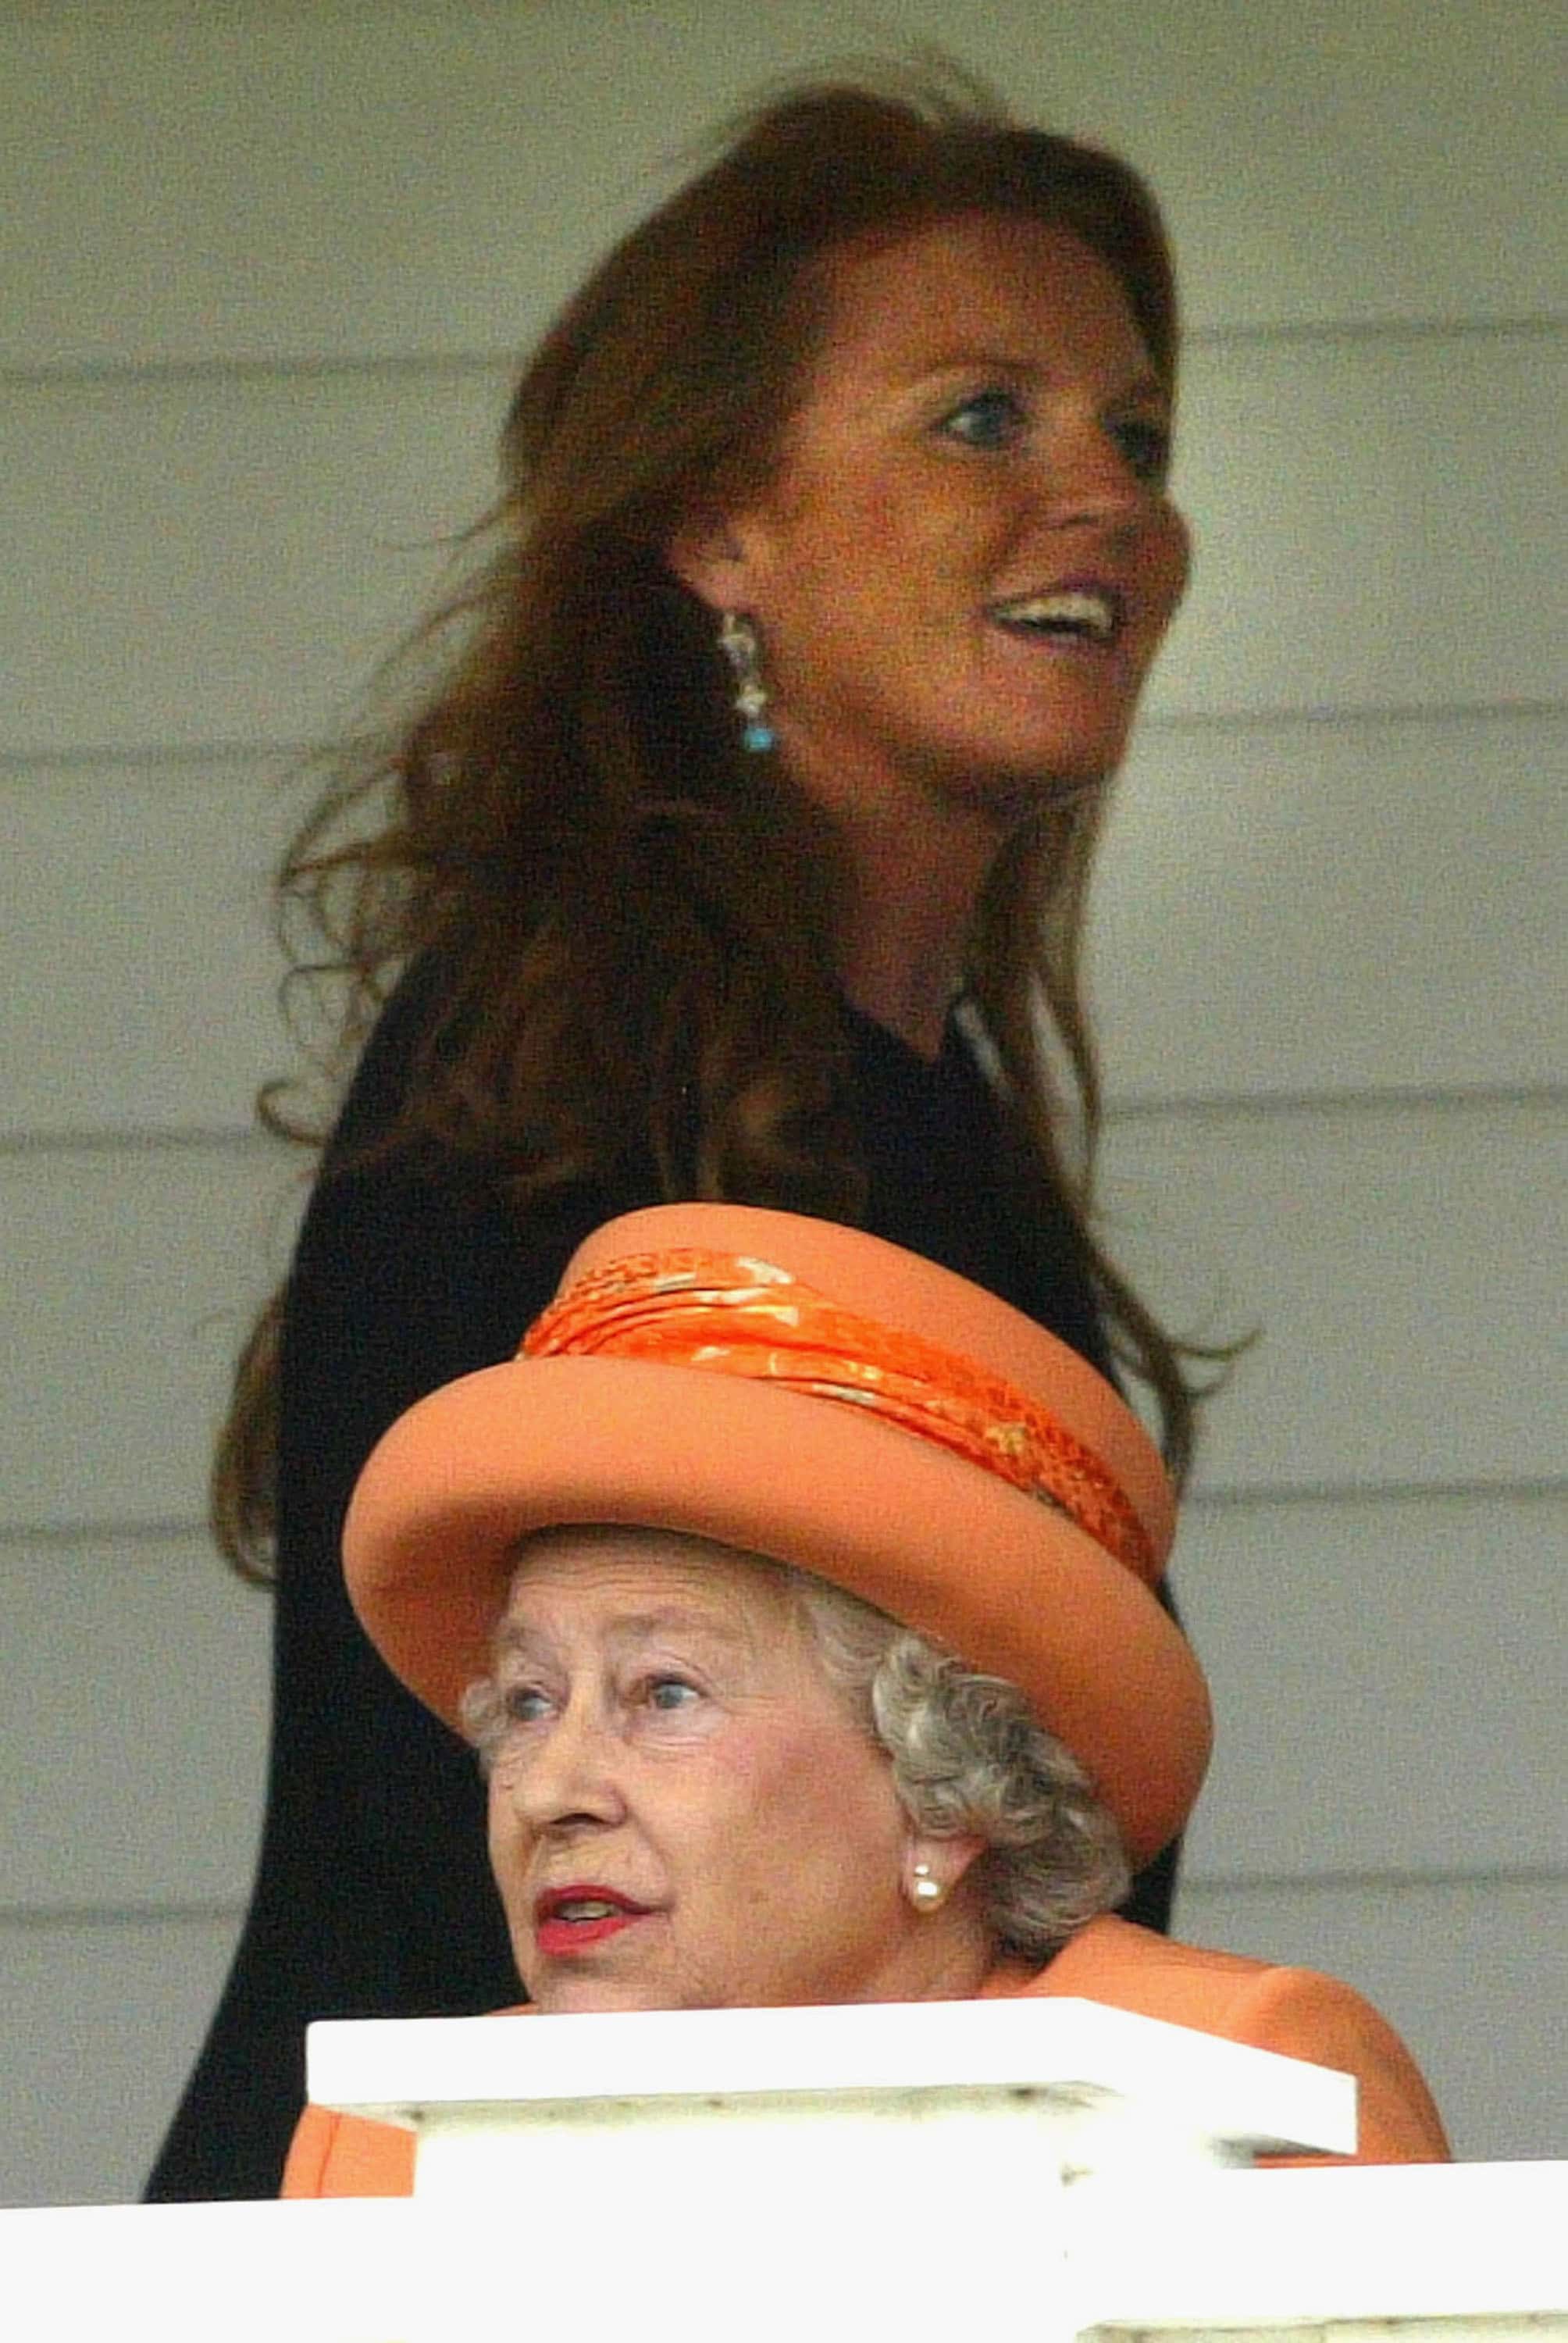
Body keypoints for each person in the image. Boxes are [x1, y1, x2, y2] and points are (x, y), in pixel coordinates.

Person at [148, 66, 1228, 2202]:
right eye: (982, 418)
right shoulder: (580, 1075)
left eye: (1140, 438)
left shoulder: (921, 1123)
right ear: (720, 523)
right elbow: (501, 1882)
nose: (1108, 495)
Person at [282, 1204, 1448, 2195]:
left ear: (948, 1789)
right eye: (531, 1703)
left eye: (664, 1693)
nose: (548, 1791)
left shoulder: (1225, 2088)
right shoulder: (398, 2144)